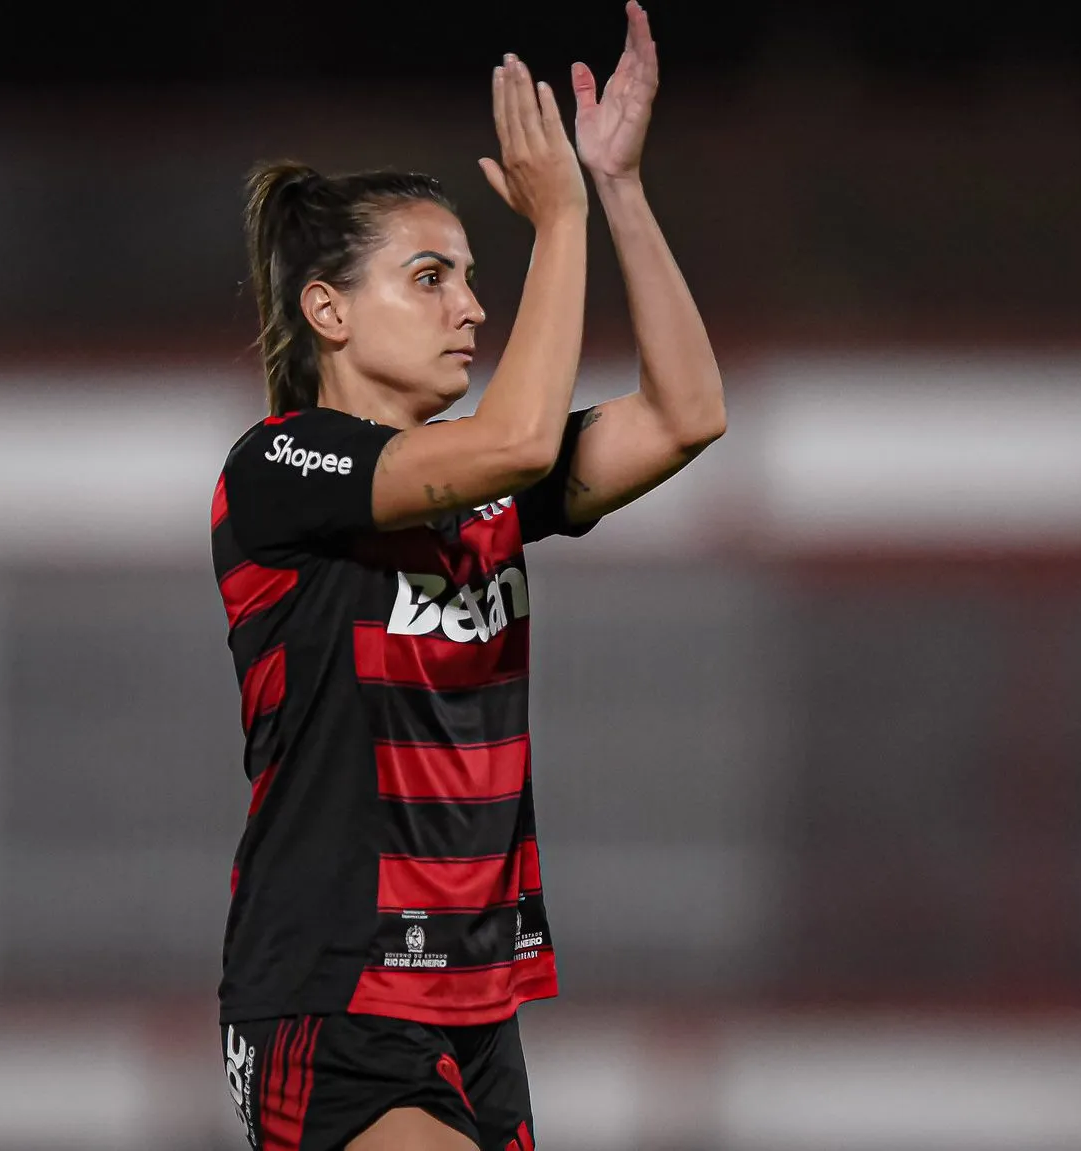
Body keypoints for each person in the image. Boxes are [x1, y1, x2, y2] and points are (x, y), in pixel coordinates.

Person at [210, 7, 725, 1149]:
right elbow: (517, 440)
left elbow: (687, 412)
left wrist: (618, 191)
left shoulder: (482, 484)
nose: (472, 307)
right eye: (431, 276)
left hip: (476, 1000)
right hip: (330, 996)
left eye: (471, 276)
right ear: (327, 311)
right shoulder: (283, 467)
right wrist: (556, 223)